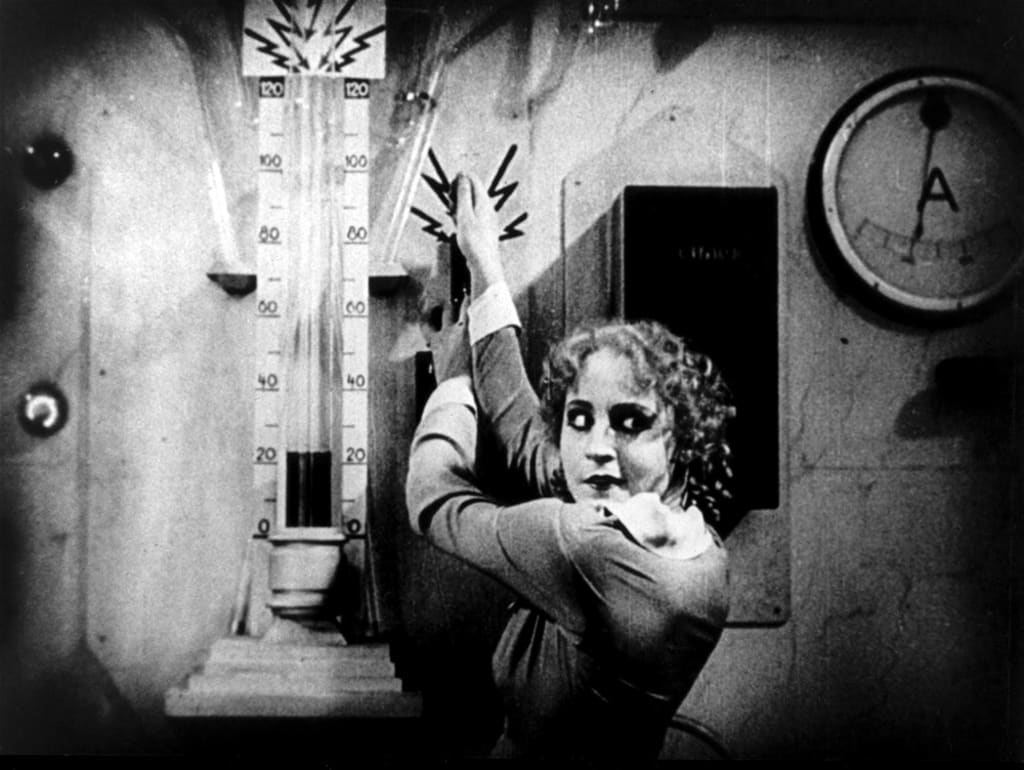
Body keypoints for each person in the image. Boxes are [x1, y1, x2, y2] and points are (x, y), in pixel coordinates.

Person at [406, 173, 734, 760]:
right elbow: (524, 429)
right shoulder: (695, 543)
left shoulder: (585, 544)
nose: (597, 448)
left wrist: (452, 381)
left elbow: (435, 502)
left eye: (630, 422)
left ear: (682, 440)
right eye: (580, 418)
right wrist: (484, 264)